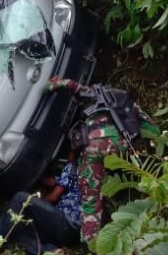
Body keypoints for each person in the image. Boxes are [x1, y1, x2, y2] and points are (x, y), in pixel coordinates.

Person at [44, 78, 159, 244]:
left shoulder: (92, 93)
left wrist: (51, 85)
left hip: (94, 145)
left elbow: (71, 85)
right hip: (124, 147)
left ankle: (91, 248)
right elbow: (153, 129)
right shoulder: (127, 102)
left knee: (91, 202)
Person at [0, 153, 81, 255]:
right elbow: (54, 182)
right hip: (72, 235)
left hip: (64, 222)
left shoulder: (73, 166)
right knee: (16, 229)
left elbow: (53, 197)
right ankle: (49, 251)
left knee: (21, 198)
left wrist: (35, 205)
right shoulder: (88, 169)